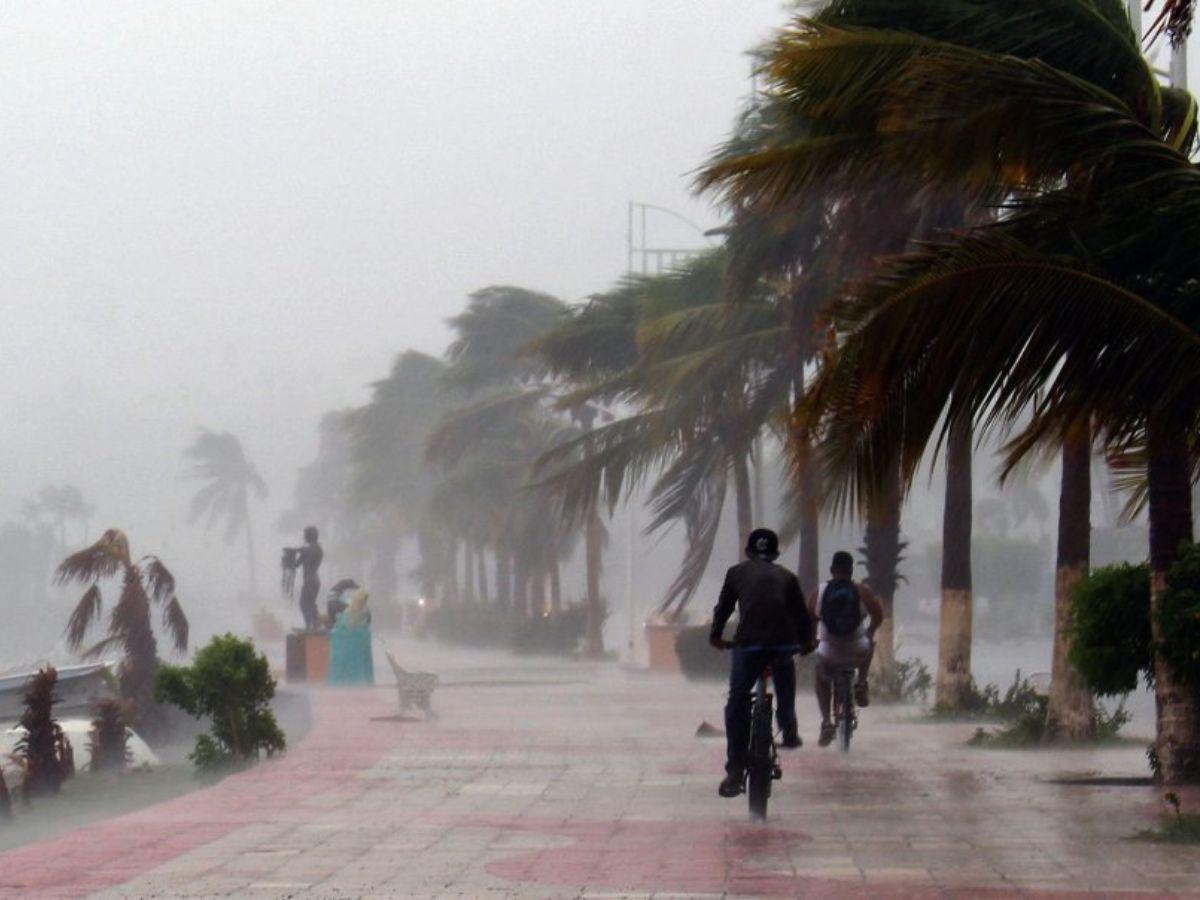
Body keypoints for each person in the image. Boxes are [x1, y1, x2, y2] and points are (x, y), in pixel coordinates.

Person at [709, 527, 814, 799]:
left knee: (738, 699)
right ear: (776, 553)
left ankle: (734, 770)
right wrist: (806, 644)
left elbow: (723, 608)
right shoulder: (787, 577)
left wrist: (716, 636)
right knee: (785, 686)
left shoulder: (736, 573)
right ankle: (789, 731)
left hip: (749, 645)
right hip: (781, 644)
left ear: (748, 552)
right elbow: (801, 616)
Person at [811, 550, 885, 747]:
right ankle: (861, 682)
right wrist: (869, 630)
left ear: (831, 570)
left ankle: (826, 722)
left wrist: (812, 640)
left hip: (829, 652)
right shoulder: (861, 590)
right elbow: (878, 616)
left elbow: (808, 619)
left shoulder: (820, 591)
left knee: (820, 675)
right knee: (870, 644)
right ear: (851, 570)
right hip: (857, 651)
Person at [328, 588, 375, 685]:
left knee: (342, 664)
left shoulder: (353, 611)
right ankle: (358, 682)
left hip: (346, 643)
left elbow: (345, 626)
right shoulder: (361, 611)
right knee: (356, 664)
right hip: (355, 643)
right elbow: (359, 624)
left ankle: (342, 682)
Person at [286, 526, 324, 631]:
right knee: (310, 603)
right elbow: (296, 564)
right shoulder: (316, 548)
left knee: (304, 604)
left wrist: (292, 554)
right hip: (314, 580)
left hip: (310, 580)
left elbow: (299, 559)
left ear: (309, 536)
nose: (304, 537)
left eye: (305, 534)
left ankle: (311, 625)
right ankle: (313, 625)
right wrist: (292, 555)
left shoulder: (310, 549)